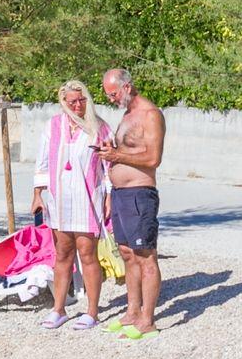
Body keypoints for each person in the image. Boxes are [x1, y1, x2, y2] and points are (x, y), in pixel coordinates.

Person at [32, 79, 112, 330]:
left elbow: (108, 166)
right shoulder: (53, 125)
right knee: (63, 253)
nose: (78, 105)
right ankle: (58, 309)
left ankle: (92, 311)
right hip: (60, 199)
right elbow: (43, 162)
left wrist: (109, 197)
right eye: (72, 101)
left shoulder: (99, 127)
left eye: (81, 100)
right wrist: (37, 195)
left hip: (87, 199)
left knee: (88, 253)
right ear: (64, 102)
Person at [99, 67, 166, 340]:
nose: (111, 99)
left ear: (126, 87)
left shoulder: (151, 115)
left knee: (145, 255)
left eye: (113, 93)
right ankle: (132, 311)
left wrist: (117, 156)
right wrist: (111, 150)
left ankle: (147, 320)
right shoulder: (126, 115)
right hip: (120, 194)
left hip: (140, 194)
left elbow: (153, 159)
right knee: (127, 253)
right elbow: (127, 150)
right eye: (108, 95)